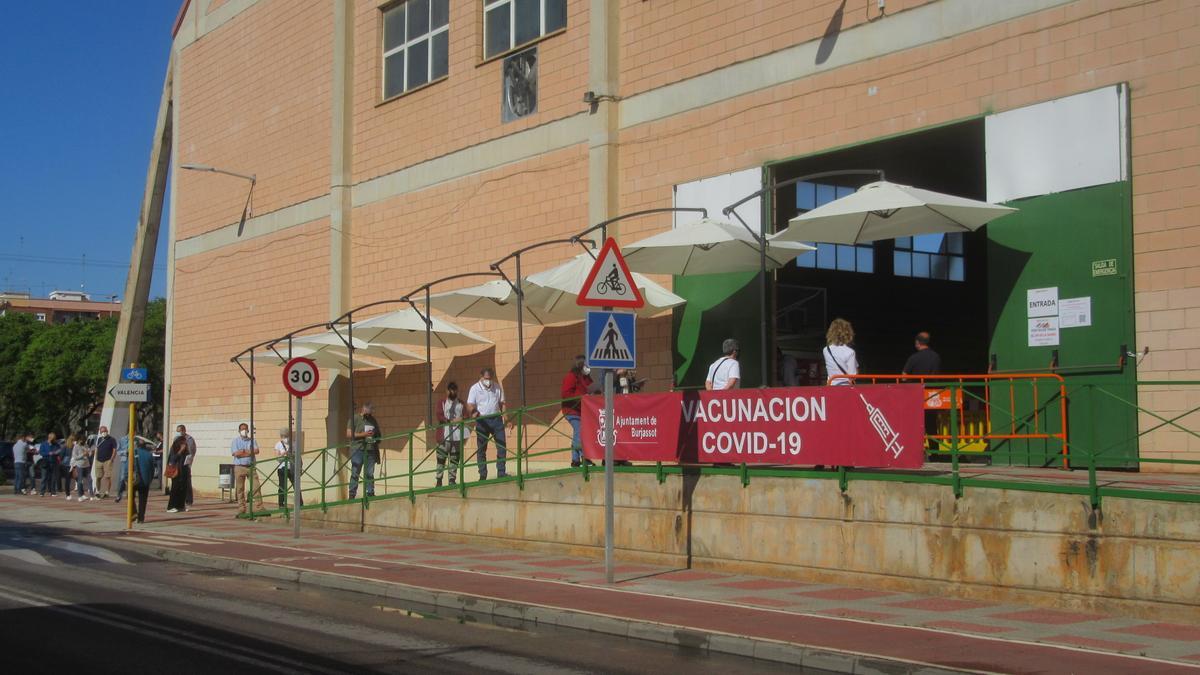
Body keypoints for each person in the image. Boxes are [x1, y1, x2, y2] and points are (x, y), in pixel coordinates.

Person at [466, 367, 507, 481]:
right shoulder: (474, 388)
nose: (488, 380)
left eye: (489, 378)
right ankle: (483, 474)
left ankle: (501, 472)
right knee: (481, 449)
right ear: (481, 377)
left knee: (502, 446)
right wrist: (474, 412)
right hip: (482, 420)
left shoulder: (497, 387)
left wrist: (507, 419)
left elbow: (502, 403)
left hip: (496, 419)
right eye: (485, 378)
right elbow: (469, 404)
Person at [560, 356, 593, 467]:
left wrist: (587, 375)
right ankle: (584, 457)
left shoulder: (581, 377)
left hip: (580, 411)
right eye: (586, 365)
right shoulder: (571, 377)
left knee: (578, 433)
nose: (587, 368)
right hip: (571, 410)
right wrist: (582, 397)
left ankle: (575, 460)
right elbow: (566, 394)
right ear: (580, 365)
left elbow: (589, 386)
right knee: (579, 431)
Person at [347, 402, 381, 499]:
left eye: (371, 412)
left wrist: (376, 437)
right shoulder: (355, 418)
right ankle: (352, 494)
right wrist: (363, 435)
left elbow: (378, 434)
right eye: (369, 411)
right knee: (355, 472)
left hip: (370, 449)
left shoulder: (373, 420)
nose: (370, 414)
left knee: (370, 473)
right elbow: (349, 434)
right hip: (357, 449)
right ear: (364, 409)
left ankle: (370, 493)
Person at [435, 383, 465, 487]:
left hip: (457, 436)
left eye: (454, 390)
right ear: (447, 391)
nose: (453, 392)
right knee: (441, 458)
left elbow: (466, 415)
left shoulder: (461, 403)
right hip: (444, 435)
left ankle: (452, 480)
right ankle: (439, 480)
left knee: (454, 459)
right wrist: (450, 420)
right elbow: (439, 415)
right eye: (451, 390)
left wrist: (462, 418)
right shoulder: (442, 403)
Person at [230, 422, 261, 514]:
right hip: (239, 467)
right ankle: (242, 507)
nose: (244, 431)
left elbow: (256, 451)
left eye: (246, 429)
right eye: (242, 429)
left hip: (251, 467)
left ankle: (259, 506)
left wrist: (243, 451)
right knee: (240, 489)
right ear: (239, 431)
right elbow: (236, 454)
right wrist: (247, 452)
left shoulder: (252, 440)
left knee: (256, 487)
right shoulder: (235, 441)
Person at [824, 318, 858, 386]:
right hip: (845, 387)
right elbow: (853, 375)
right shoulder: (850, 352)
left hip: (831, 386)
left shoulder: (826, 350)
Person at [166, 434, 190, 513]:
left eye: (185, 443)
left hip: (184, 471)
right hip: (176, 471)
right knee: (175, 489)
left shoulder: (186, 449)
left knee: (183, 489)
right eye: (183, 442)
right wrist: (180, 451)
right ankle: (171, 507)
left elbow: (187, 459)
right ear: (179, 442)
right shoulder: (174, 448)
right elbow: (173, 459)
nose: (185, 444)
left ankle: (180, 506)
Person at [132, 439, 154, 523]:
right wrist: (150, 479)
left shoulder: (133, 453)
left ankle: (133, 512)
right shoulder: (149, 455)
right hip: (145, 481)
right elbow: (152, 469)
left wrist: (125, 478)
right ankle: (141, 518)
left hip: (133, 480)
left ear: (136, 445)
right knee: (143, 500)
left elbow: (127, 468)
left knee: (130, 497)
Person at [92, 426, 116, 499]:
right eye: (102, 431)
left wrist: (111, 459)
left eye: (105, 431)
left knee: (107, 477)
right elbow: (96, 448)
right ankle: (98, 492)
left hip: (107, 460)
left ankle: (107, 492)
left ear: (107, 431)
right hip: (98, 460)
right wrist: (95, 458)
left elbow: (114, 450)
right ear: (100, 432)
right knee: (98, 477)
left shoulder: (112, 439)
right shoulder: (99, 439)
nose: (104, 433)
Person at [176, 424, 198, 506]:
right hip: (178, 462)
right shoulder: (176, 439)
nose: (178, 433)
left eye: (179, 431)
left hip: (185, 463)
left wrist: (188, 462)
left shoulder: (189, 439)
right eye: (177, 431)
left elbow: (192, 451)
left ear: (184, 430)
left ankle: (188, 500)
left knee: (187, 481)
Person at [68, 434, 92, 501]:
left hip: (86, 465)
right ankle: (79, 496)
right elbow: (75, 457)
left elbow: (89, 454)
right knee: (80, 481)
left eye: (85, 440)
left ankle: (83, 495)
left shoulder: (86, 445)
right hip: (79, 465)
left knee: (89, 479)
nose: (84, 441)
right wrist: (82, 454)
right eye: (82, 440)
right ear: (79, 440)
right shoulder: (76, 446)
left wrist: (89, 453)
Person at [274, 429, 295, 508]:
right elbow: (277, 457)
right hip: (282, 467)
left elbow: (297, 454)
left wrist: (292, 454)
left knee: (296, 485)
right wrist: (283, 454)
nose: (285, 438)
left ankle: (300, 503)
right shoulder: (278, 444)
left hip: (292, 467)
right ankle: (281, 503)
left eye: (286, 436)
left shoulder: (293, 444)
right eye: (284, 436)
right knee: (282, 486)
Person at [38, 432, 62, 497]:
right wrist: (48, 453)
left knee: (53, 478)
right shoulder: (44, 444)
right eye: (53, 439)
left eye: (54, 439)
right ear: (50, 438)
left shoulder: (56, 444)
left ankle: (52, 492)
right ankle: (42, 492)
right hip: (45, 462)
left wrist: (56, 452)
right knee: (44, 477)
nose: (54, 440)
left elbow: (59, 450)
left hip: (53, 462)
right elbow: (41, 452)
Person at [114, 434, 131, 504]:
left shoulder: (136, 439)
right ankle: (119, 495)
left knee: (133, 478)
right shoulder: (122, 439)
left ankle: (130, 494)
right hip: (125, 460)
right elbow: (118, 451)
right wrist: (124, 452)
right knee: (122, 478)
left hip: (134, 460)